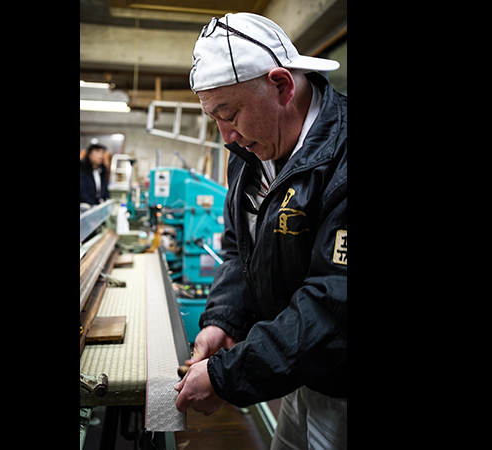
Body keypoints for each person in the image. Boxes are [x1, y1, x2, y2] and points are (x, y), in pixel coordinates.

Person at [173, 13, 347, 450]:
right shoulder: (251, 148)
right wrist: (222, 320)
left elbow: (334, 301)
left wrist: (230, 375)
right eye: (214, 118)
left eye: (228, 114)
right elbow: (240, 249)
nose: (226, 136)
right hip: (299, 367)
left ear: (282, 86)